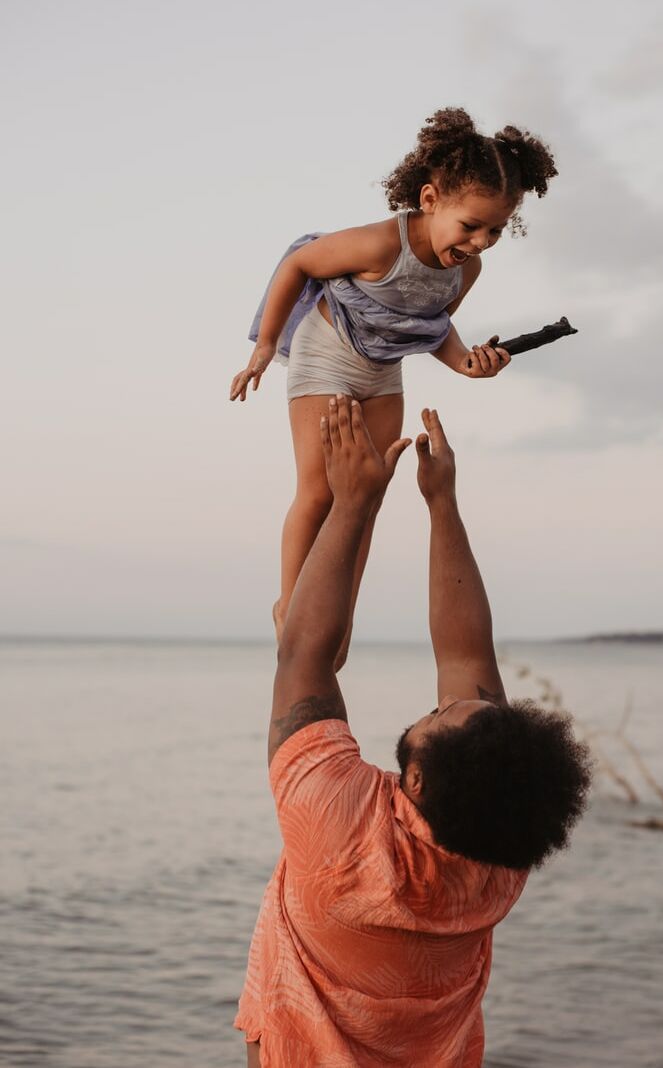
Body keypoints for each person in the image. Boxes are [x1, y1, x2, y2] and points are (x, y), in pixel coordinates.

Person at [234, 398, 592, 1068]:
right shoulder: (498, 852)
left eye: (439, 716)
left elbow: (302, 654)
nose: (441, 704)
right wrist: (441, 504)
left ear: (418, 779)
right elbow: (465, 657)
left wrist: (354, 503)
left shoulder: (338, 831)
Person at [228, 107, 558, 666]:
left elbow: (432, 328)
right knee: (320, 487)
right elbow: (300, 263)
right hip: (327, 352)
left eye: (496, 230)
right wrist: (264, 344)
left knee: (367, 494)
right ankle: (291, 605)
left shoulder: (464, 271)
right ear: (430, 200)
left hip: (383, 369)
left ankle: (339, 614)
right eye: (471, 225)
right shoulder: (383, 244)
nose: (480, 241)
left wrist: (468, 364)